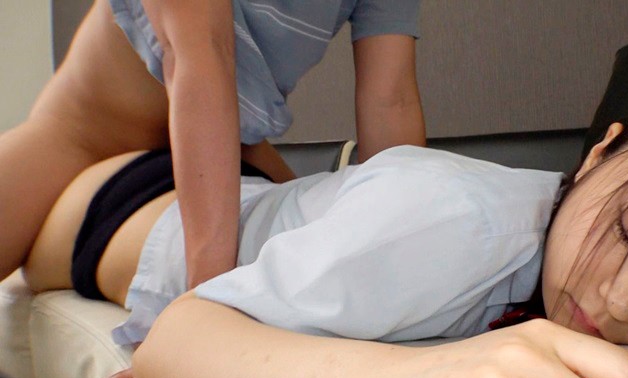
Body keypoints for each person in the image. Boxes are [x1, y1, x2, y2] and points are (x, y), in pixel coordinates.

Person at [21, 78, 628, 378]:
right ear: (600, 153)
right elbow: (174, 354)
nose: (624, 299)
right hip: (117, 207)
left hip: (254, 193)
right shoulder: (461, 226)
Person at [0, 0, 425, 296]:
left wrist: (412, 240)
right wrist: (205, 307)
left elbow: (391, 100)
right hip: (83, 134)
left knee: (321, 259)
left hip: (236, 144)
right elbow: (202, 53)